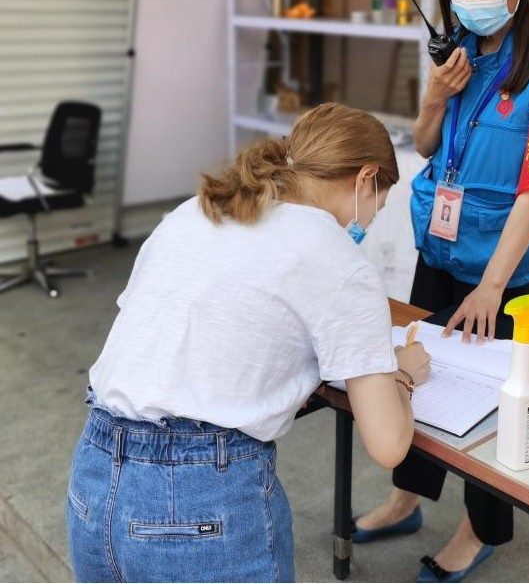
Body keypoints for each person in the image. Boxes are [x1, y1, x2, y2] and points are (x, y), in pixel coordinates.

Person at [66, 103, 431, 583]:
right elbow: (388, 446)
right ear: (366, 180)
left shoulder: (195, 211)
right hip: (198, 498)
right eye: (375, 208)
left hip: (92, 479)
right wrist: (402, 372)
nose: (359, 226)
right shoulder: (338, 260)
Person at [355, 0, 529, 583]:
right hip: (440, 250)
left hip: (501, 274)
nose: (468, 3)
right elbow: (425, 147)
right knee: (417, 375)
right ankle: (406, 496)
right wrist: (433, 96)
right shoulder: (457, 54)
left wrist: (491, 287)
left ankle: (481, 529)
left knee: (492, 402)